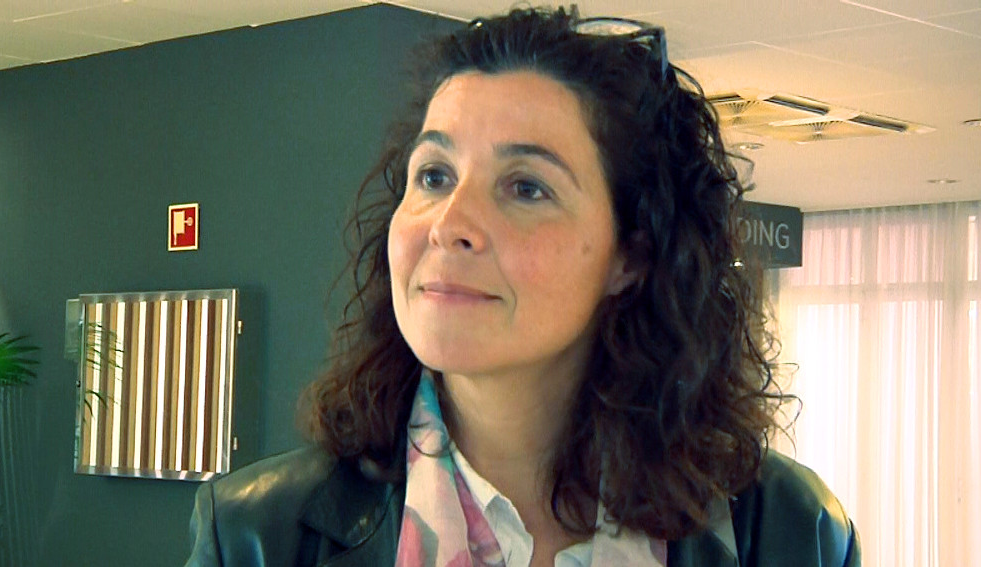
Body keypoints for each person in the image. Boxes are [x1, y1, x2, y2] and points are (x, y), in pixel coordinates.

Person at [187, 6, 860, 567]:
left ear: (631, 256)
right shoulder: (259, 536)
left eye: (526, 187)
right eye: (434, 175)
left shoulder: (788, 530)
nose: (450, 225)